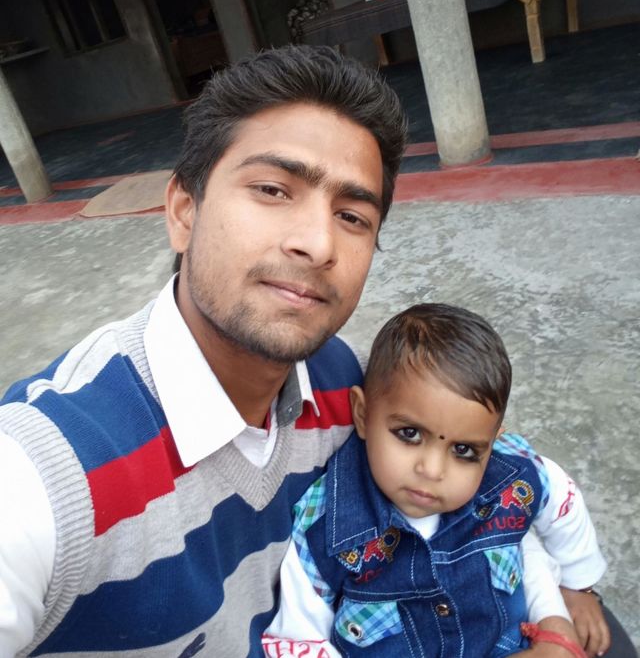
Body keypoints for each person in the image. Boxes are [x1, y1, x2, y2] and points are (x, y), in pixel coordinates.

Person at [0, 46, 634, 657]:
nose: (318, 243)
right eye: (273, 189)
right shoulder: (45, 481)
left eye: (353, 216)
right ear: (184, 211)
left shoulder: (343, 385)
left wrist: (558, 613)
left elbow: (490, 502)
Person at [261, 304, 611, 658]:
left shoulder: (512, 476)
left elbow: (563, 501)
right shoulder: (325, 528)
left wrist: (578, 586)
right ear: (363, 414)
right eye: (409, 434)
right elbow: (299, 640)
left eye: (464, 450)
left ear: (492, 443)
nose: (431, 470)